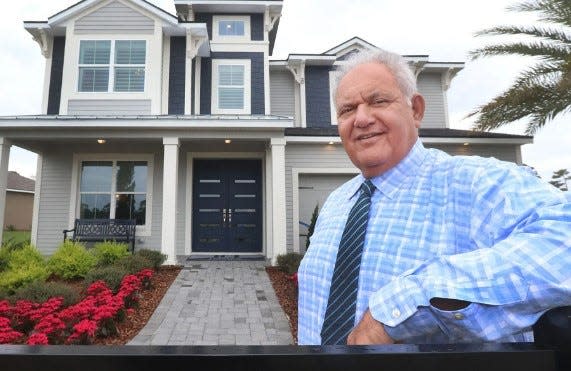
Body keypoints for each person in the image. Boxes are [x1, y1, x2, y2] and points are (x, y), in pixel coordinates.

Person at [297, 48, 571, 345]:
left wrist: (399, 308)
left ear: (415, 110)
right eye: (347, 109)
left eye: (378, 101)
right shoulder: (338, 202)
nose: (361, 119)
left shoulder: (477, 184)